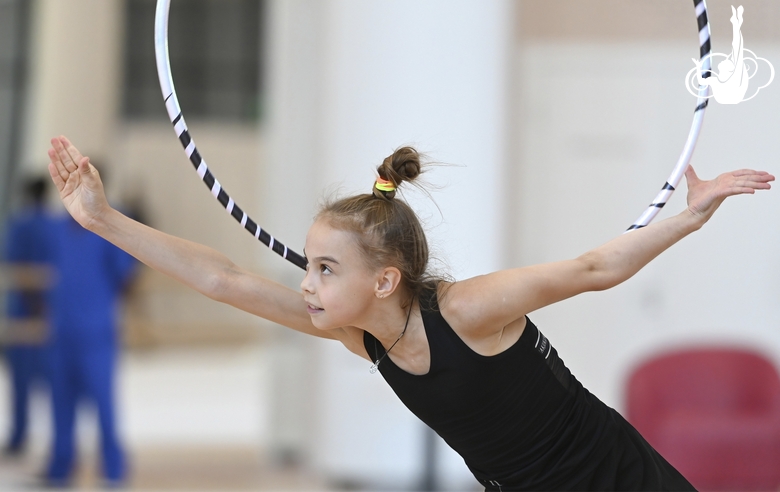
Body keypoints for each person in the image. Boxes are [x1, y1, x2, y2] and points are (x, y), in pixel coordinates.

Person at [47, 135, 773, 490]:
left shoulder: (469, 310)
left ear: (387, 280)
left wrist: (692, 217)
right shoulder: (366, 337)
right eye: (309, 265)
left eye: (325, 269)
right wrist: (101, 219)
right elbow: (225, 278)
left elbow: (592, 269)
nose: (308, 283)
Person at [42, 173, 137, 486]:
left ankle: (112, 469)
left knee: (104, 404)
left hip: (96, 333)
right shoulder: (58, 228)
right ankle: (60, 465)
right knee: (60, 403)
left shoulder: (109, 231)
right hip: (62, 331)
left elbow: (126, 274)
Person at [2, 177, 52, 455]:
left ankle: (19, 437)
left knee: (21, 383)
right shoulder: (54, 225)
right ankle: (59, 444)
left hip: (22, 311)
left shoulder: (18, 224)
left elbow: (13, 262)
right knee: (54, 383)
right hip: (49, 312)